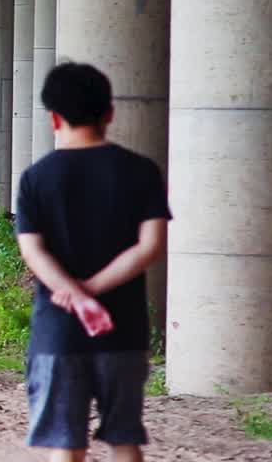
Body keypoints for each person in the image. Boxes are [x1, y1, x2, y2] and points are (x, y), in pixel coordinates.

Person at [15, 62, 171, 462]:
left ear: (53, 117)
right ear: (109, 113)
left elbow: (33, 251)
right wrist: (93, 292)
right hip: (122, 330)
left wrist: (73, 295)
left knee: (65, 444)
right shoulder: (141, 170)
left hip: (58, 332)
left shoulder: (36, 178)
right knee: (124, 440)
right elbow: (150, 246)